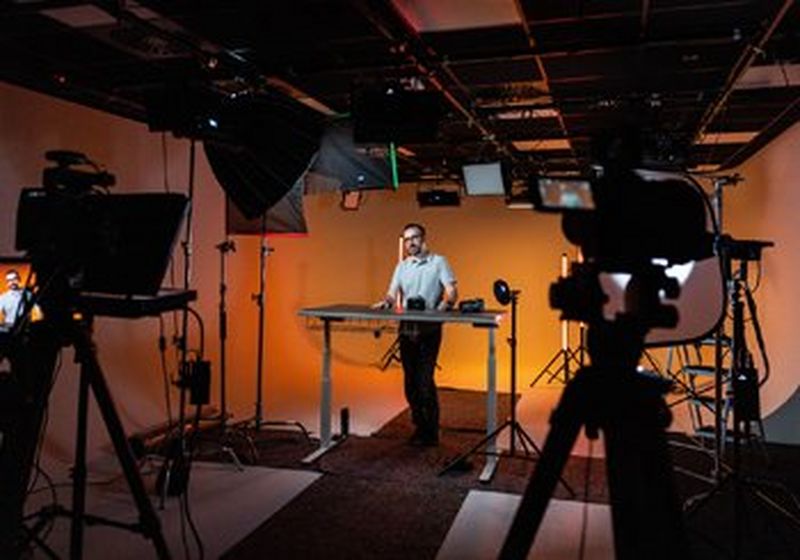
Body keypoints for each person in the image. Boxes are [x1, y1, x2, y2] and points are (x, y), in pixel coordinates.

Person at [373, 223, 458, 446]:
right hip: (407, 329)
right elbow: (392, 293)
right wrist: (387, 302)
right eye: (407, 239)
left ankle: (431, 432)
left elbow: (451, 291)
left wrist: (443, 307)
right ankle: (420, 426)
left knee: (424, 381)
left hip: (429, 329)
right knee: (410, 383)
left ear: (423, 239)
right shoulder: (401, 266)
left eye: (415, 238)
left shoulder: (439, 262)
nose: (411, 242)